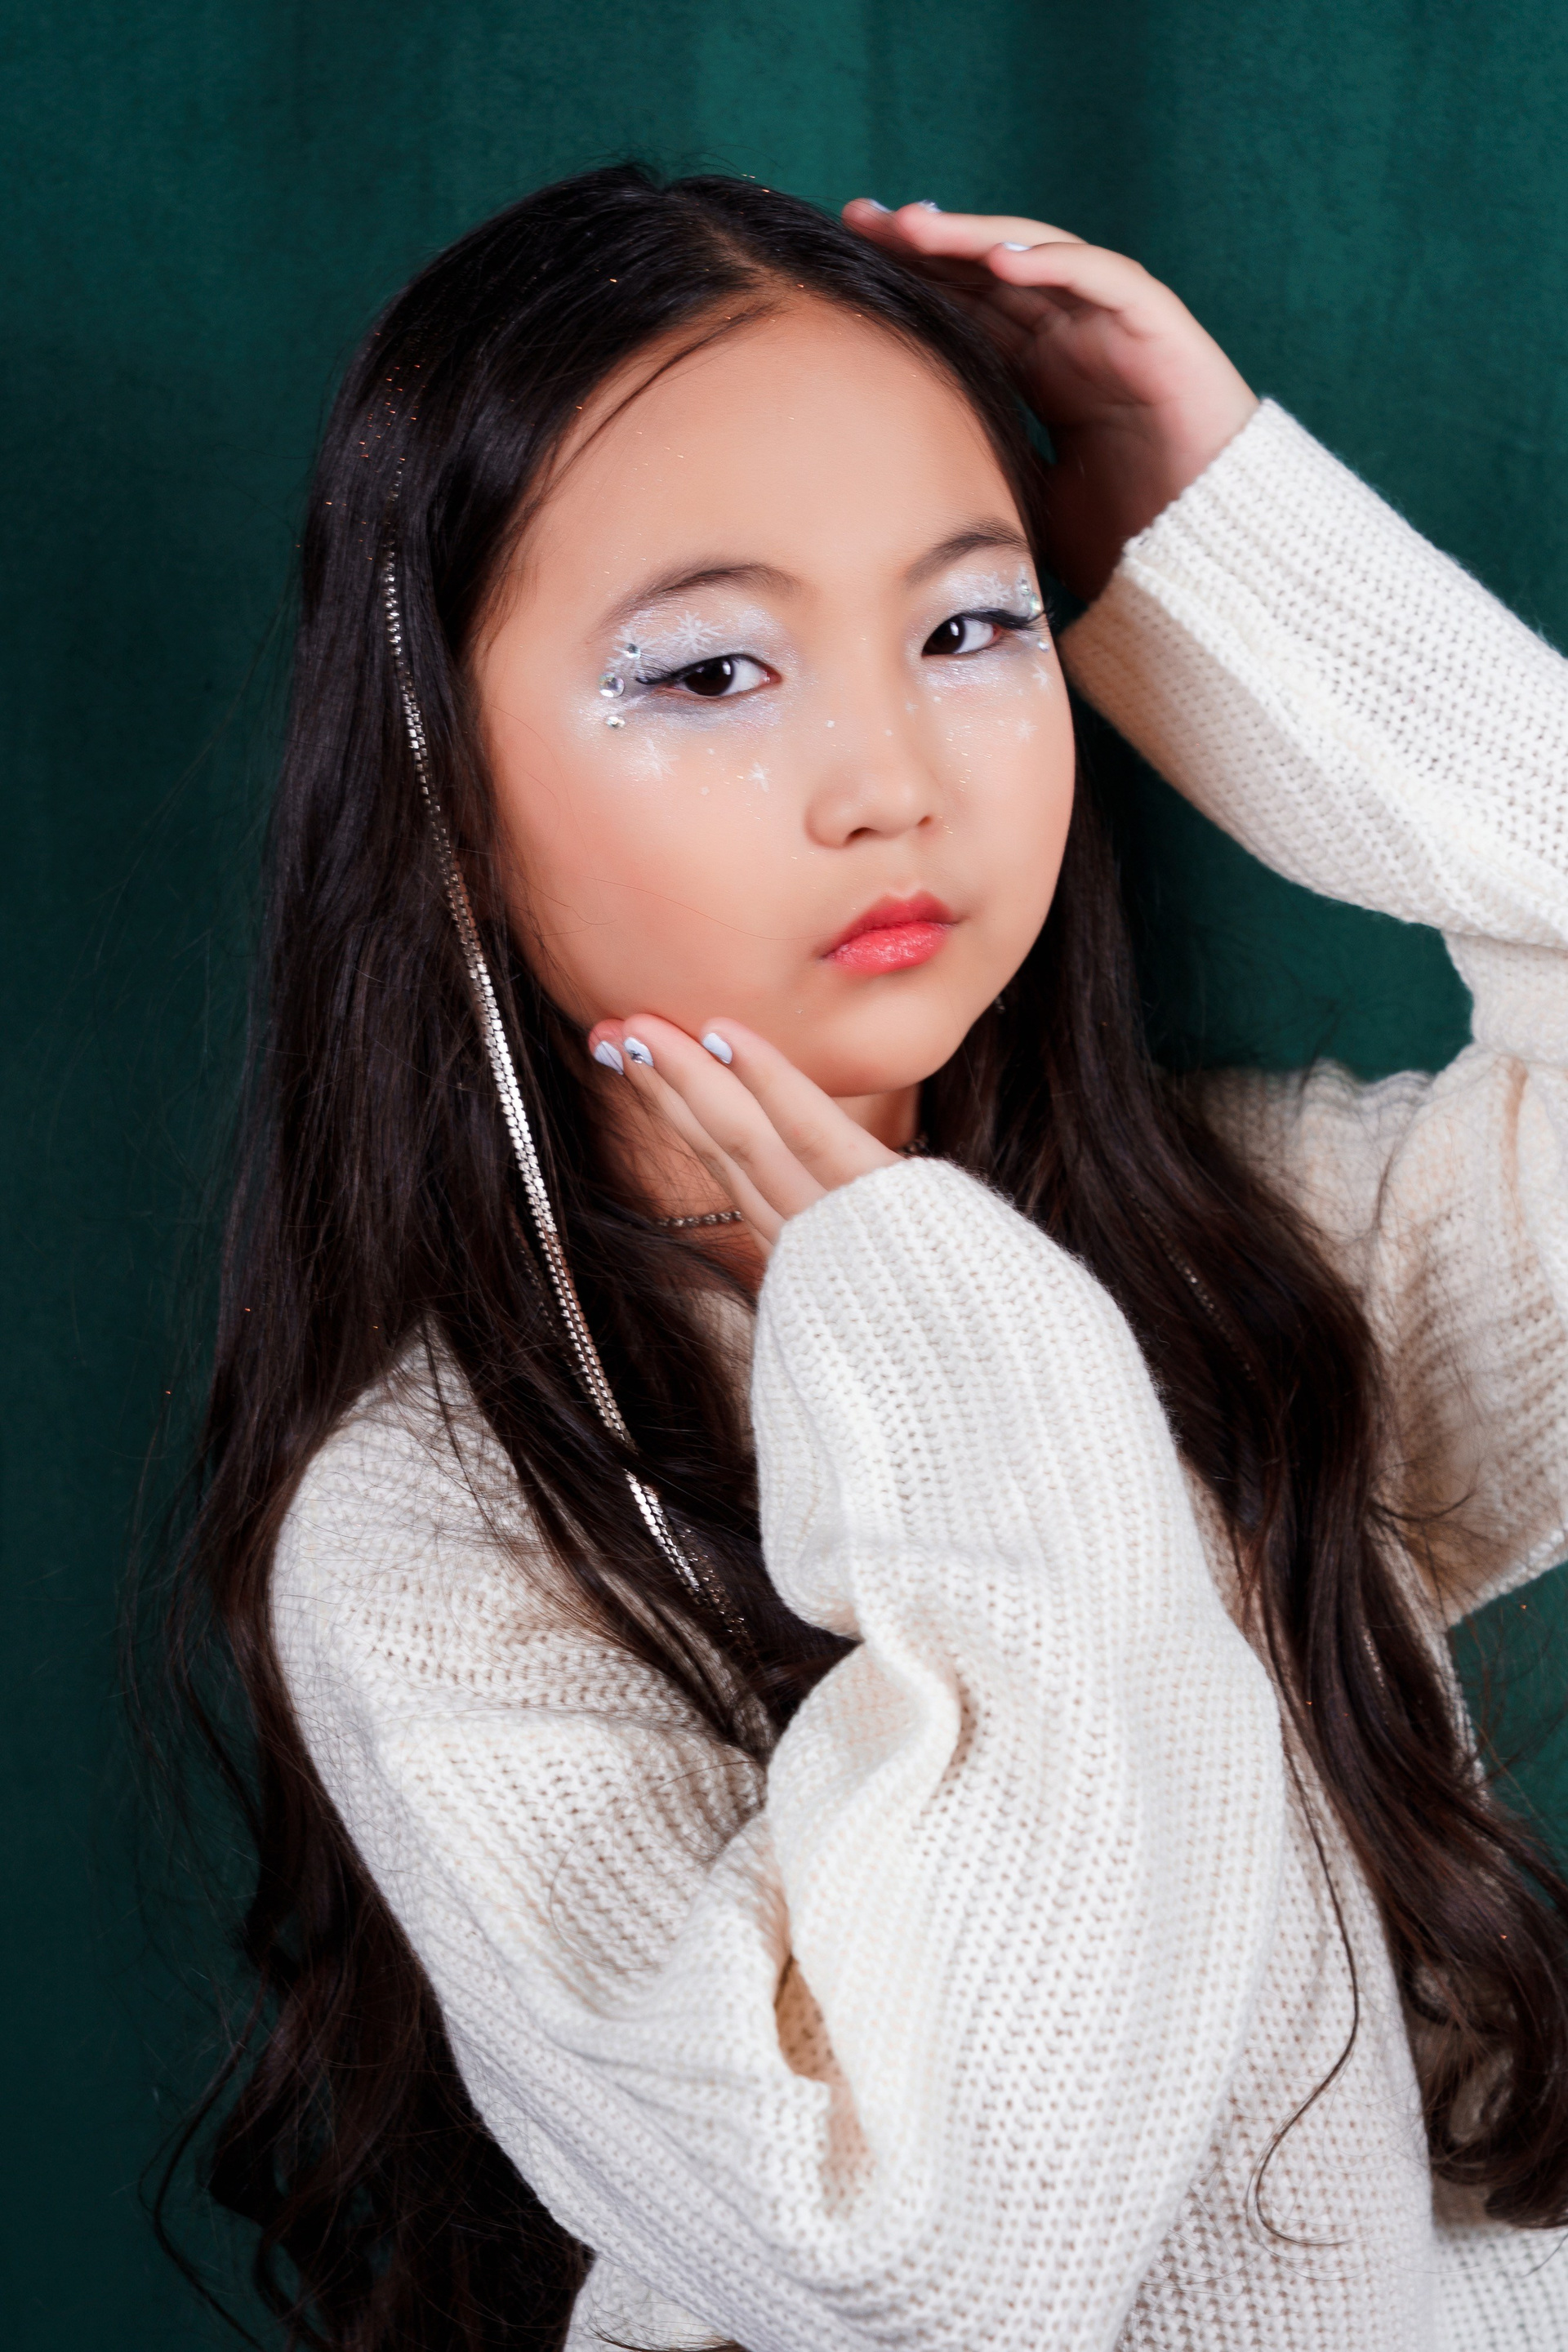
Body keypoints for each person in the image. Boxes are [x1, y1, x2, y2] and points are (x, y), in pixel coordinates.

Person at [173, 164, 1568, 2350]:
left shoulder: (1265, 1251)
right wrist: (953, 1361)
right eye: (713, 669)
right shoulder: (444, 1537)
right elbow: (935, 2260)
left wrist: (1224, 545)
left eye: (972, 627)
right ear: (443, 776)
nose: (892, 779)